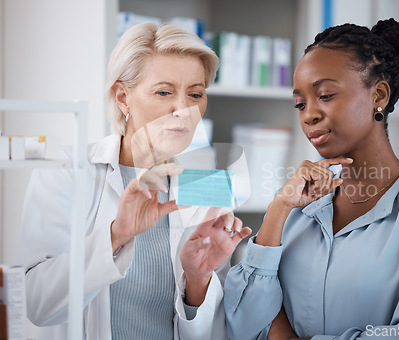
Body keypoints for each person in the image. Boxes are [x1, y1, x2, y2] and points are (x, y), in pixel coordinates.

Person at [224, 18, 399, 340]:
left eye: (325, 95)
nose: (309, 114)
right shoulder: (298, 206)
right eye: (300, 103)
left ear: (378, 95)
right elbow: (242, 325)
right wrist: (279, 208)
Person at [17, 22, 251, 340]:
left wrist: (197, 282)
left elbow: (211, 332)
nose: (183, 109)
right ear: (123, 97)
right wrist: (117, 235)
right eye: (164, 92)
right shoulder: (68, 170)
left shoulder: (205, 185)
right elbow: (37, 304)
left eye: (195, 94)